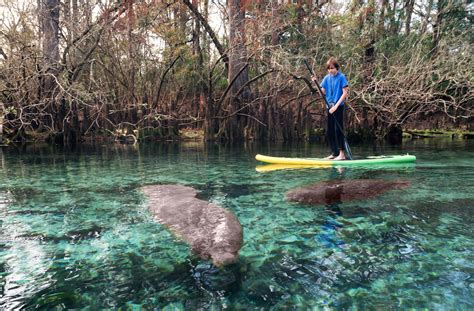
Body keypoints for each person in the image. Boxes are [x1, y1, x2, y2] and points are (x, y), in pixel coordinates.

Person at [312, 57, 349, 160]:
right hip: (329, 107)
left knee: (338, 130)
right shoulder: (327, 78)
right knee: (330, 131)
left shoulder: (341, 77)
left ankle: (342, 154)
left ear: (336, 68)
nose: (330, 70)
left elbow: (345, 93)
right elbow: (322, 92)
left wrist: (336, 106)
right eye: (328, 68)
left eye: (332, 68)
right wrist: (315, 83)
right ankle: (334, 153)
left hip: (338, 107)